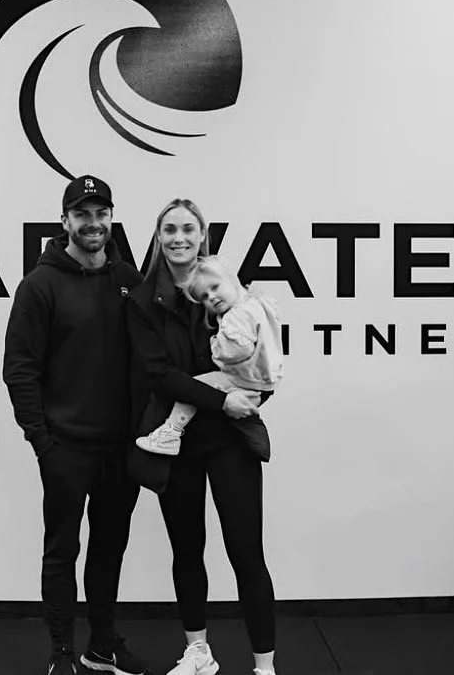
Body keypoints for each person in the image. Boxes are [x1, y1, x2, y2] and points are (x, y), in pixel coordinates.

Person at [3, 174, 150, 675]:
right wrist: (42, 441)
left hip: (119, 449)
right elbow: (20, 368)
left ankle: (102, 646)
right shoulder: (40, 285)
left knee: (109, 551)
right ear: (64, 220)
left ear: (111, 218)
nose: (93, 223)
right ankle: (62, 652)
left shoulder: (129, 279)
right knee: (62, 551)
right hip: (65, 447)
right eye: (82, 214)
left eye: (101, 213)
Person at [126, 199, 280, 675]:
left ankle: (264, 665)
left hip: (231, 440)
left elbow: (259, 362)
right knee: (187, 551)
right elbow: (158, 373)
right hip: (178, 445)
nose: (179, 237)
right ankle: (199, 653)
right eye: (169, 228)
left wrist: (249, 399)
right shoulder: (141, 299)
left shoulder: (229, 291)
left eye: (188, 228)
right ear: (158, 236)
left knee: (246, 553)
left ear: (202, 235)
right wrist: (221, 400)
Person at [135, 255, 281, 458]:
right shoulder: (258, 303)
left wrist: (216, 346)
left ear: (232, 279)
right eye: (204, 296)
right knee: (245, 423)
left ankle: (171, 432)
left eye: (215, 287)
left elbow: (236, 351)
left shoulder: (235, 317)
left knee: (196, 388)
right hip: (264, 379)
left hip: (244, 376)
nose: (211, 297)